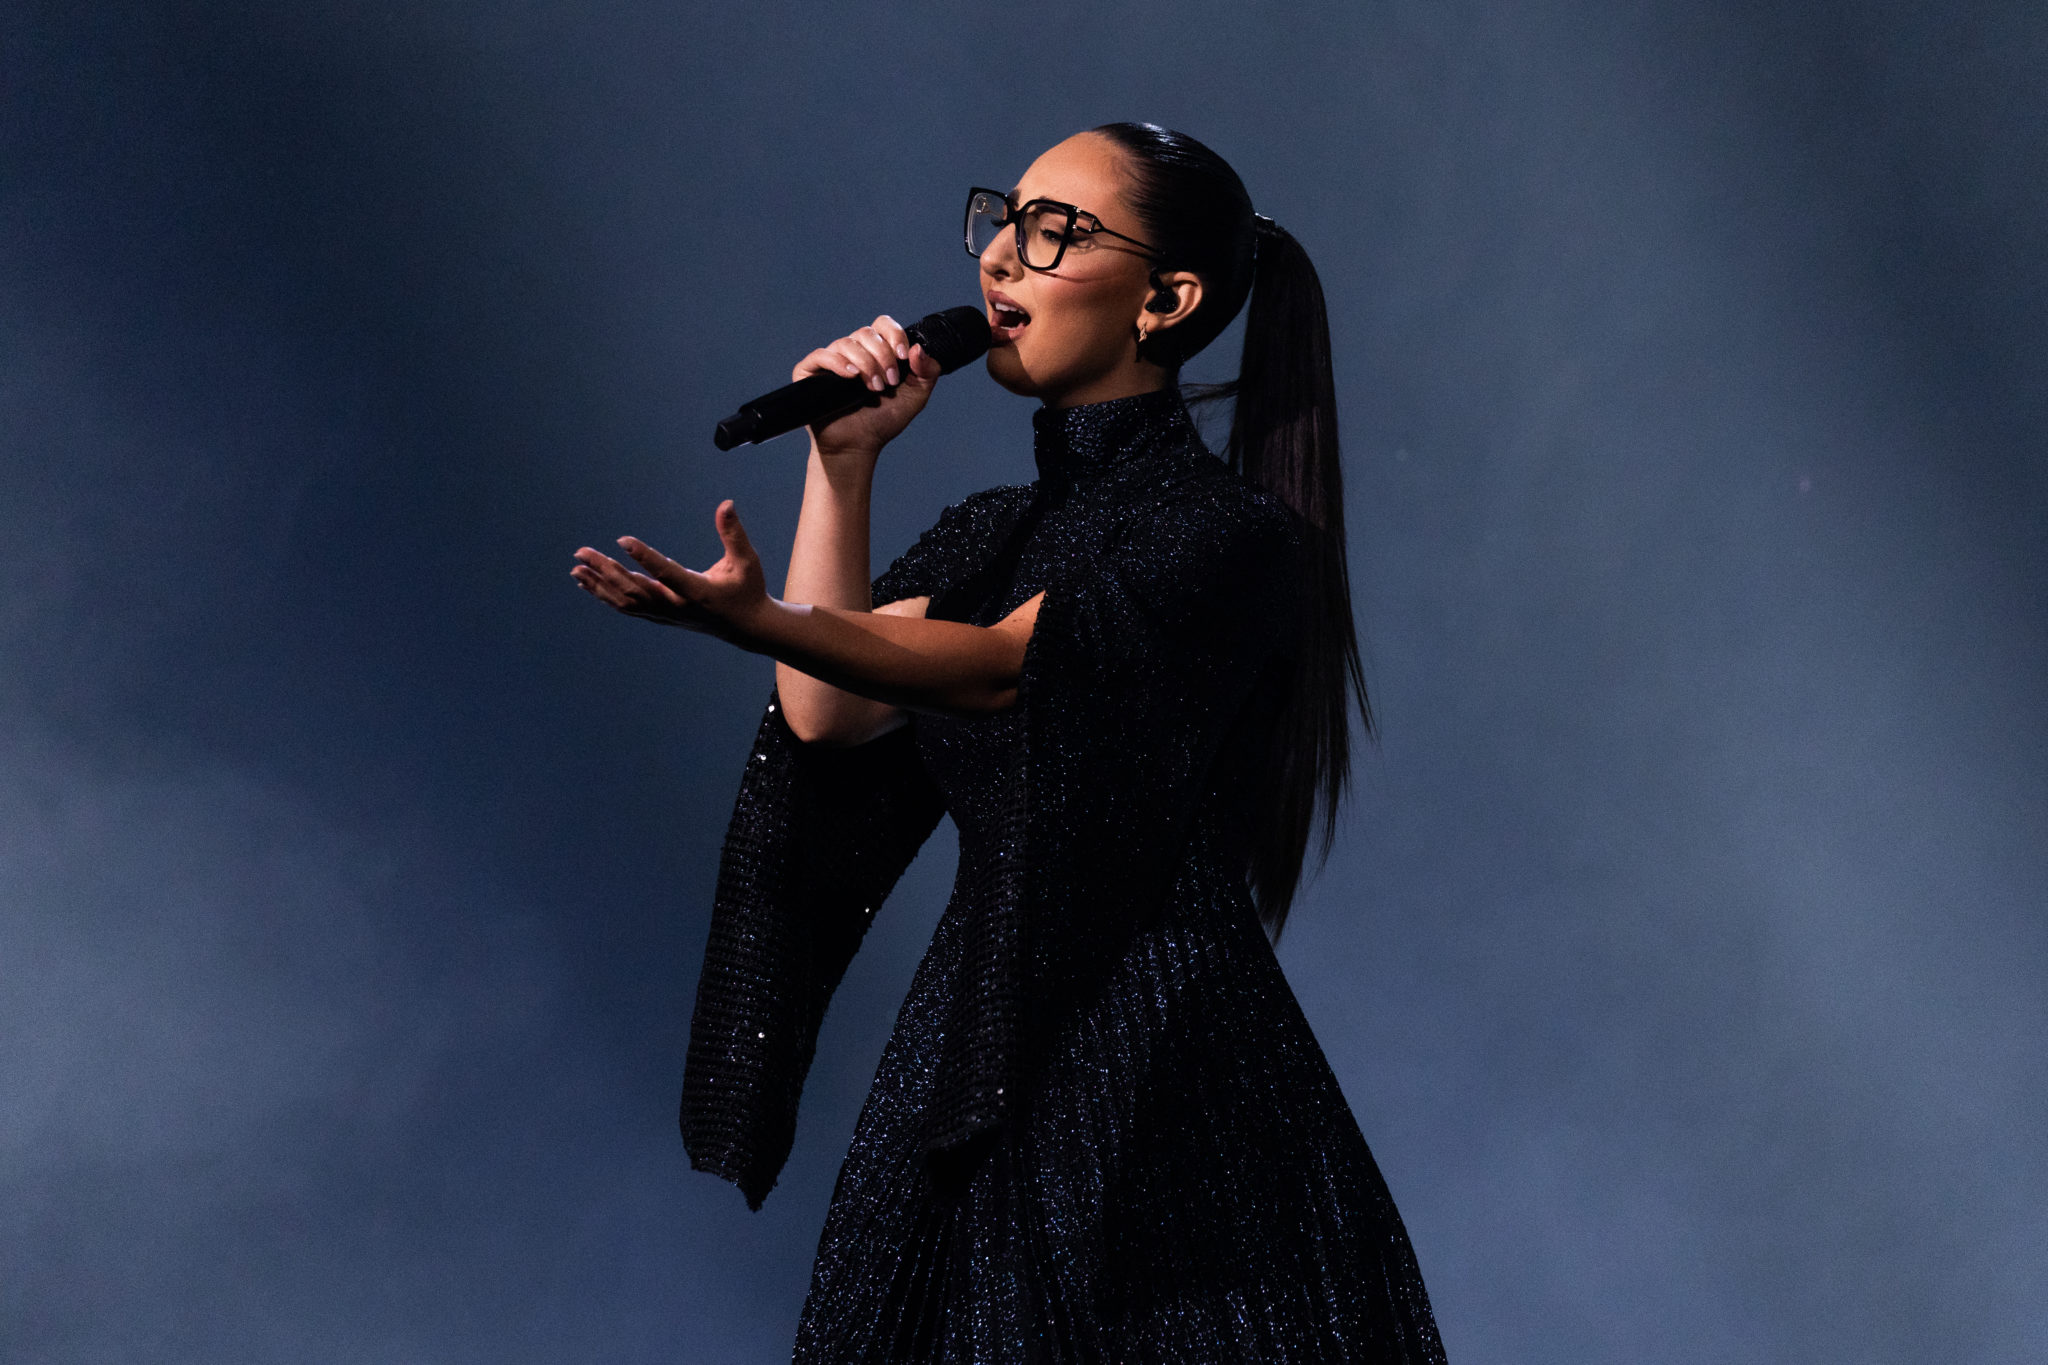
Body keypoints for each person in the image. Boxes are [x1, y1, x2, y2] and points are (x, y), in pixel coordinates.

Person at [571, 122, 1447, 1364]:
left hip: (1157, 1055)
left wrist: (756, 619)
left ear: (1165, 301)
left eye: (1052, 232)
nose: (996, 258)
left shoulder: (1223, 534)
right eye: (1004, 219)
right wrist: (842, 463)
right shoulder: (996, 532)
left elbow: (1000, 668)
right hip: (978, 1030)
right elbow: (830, 711)